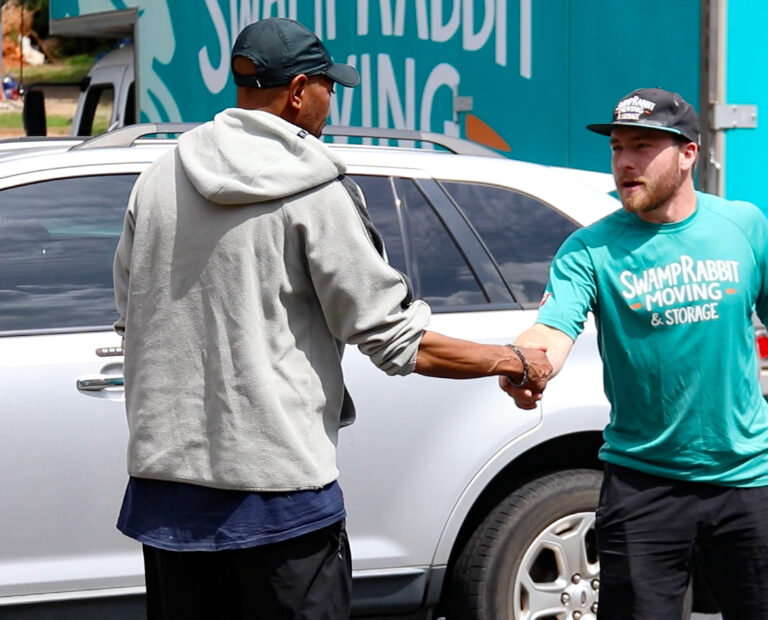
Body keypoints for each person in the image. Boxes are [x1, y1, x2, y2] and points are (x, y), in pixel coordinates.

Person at [112, 18, 551, 619]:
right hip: (279, 500)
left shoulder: (158, 179)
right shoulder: (316, 189)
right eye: (328, 87)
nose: (331, 101)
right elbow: (394, 338)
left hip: (168, 501)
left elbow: (132, 320)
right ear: (298, 91)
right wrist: (514, 360)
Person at [500, 87, 768, 620]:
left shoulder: (743, 226)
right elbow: (551, 330)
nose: (625, 162)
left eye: (642, 146)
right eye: (617, 147)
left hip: (748, 478)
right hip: (643, 482)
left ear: (688, 153)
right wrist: (528, 365)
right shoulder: (589, 250)